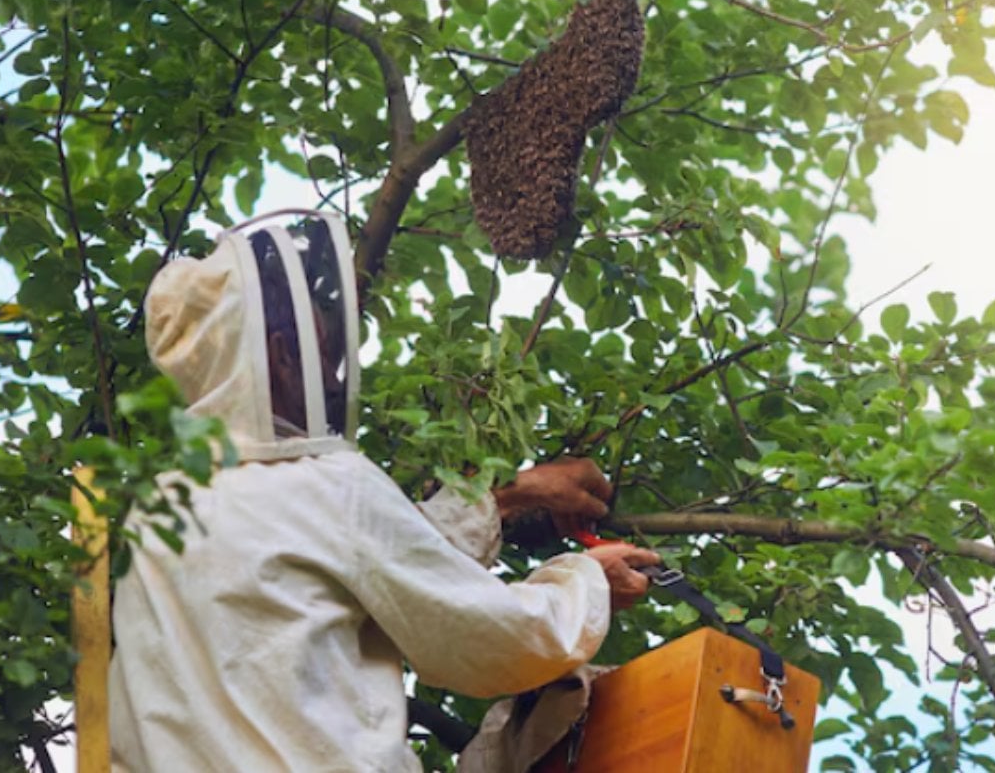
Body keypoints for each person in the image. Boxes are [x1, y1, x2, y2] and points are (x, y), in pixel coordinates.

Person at [109, 211, 658, 772]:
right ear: (277, 355)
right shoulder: (322, 485)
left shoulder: (157, 515)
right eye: (322, 352)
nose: (334, 372)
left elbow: (369, 560)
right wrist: (591, 581)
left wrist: (511, 496)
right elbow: (493, 635)